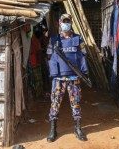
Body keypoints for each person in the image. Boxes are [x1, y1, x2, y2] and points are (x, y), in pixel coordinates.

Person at [46, 13, 88, 142]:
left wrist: (82, 71)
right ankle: (53, 130)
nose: (66, 23)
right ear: (59, 22)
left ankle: (78, 128)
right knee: (55, 104)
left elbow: (84, 54)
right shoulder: (54, 40)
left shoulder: (78, 39)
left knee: (76, 103)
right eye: (64, 21)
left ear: (71, 22)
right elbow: (48, 56)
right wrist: (55, 70)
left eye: (68, 21)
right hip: (58, 79)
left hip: (74, 77)